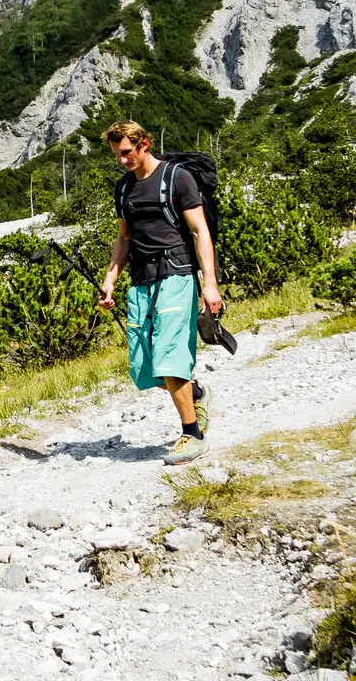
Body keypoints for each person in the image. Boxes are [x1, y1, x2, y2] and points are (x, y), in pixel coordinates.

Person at [96, 121, 223, 465]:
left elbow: (200, 231)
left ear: (144, 144)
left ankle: (192, 435)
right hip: (141, 279)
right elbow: (123, 238)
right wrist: (110, 279)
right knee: (144, 367)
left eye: (126, 152)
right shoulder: (123, 190)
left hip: (176, 274)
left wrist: (209, 283)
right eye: (117, 155)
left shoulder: (177, 179)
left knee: (169, 356)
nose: (122, 160)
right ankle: (196, 392)